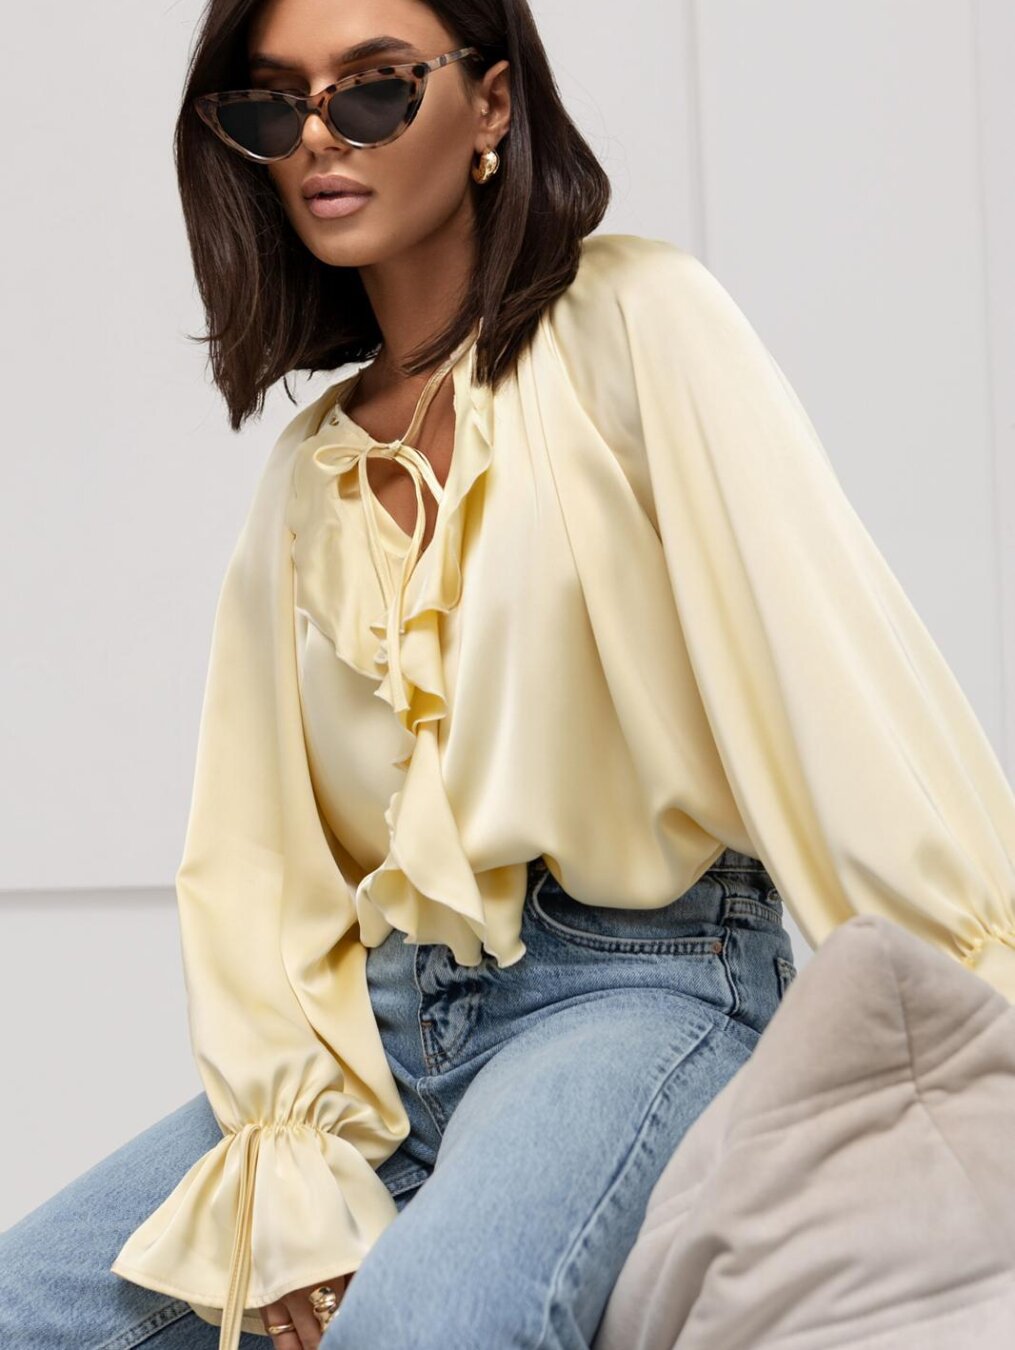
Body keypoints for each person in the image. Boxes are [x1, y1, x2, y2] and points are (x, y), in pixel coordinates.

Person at [4, 0, 1015, 1347]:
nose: (320, 138)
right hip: (379, 1031)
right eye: (276, 104)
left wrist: (974, 987)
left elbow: (831, 673)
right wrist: (290, 1158)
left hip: (637, 981)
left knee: (424, 1324)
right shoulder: (308, 475)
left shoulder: (640, 322)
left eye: (373, 88)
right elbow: (261, 860)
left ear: (489, 105)